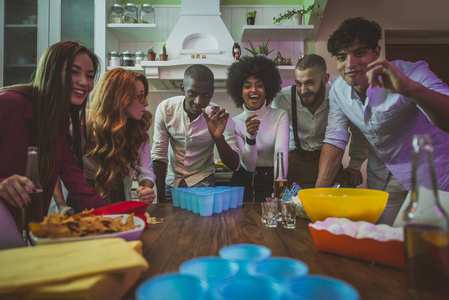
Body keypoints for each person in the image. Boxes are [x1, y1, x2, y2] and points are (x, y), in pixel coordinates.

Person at [316, 17, 449, 225]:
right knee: (381, 240)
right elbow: (335, 139)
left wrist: (409, 89)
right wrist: (318, 196)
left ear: (376, 53)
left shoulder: (412, 72)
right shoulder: (338, 91)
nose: (350, 64)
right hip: (383, 178)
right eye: (342, 56)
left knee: (426, 247)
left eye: (359, 53)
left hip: (432, 174)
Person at [0, 41, 108, 231]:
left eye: (90, 76)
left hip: (21, 226)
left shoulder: (59, 122)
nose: (84, 82)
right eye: (74, 72)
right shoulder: (10, 103)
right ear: (52, 71)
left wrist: (115, 216)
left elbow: (73, 177)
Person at [56, 68, 156, 213]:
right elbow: (54, 167)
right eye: (140, 96)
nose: (146, 103)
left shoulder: (139, 126)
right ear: (119, 98)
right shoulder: (81, 124)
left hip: (119, 195)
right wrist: (61, 205)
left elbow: (145, 168)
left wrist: (146, 187)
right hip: (82, 197)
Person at [272, 54, 366, 189]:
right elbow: (275, 139)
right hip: (296, 161)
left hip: (329, 159)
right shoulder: (283, 98)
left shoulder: (339, 96)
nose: (303, 91)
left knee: (334, 205)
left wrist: (355, 165)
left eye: (310, 83)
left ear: (325, 79)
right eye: (299, 84)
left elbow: (359, 132)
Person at [151, 64, 241, 203]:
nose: (199, 102)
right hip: (171, 182)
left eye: (205, 95)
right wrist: (160, 197)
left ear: (212, 92)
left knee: (203, 224)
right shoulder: (166, 109)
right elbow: (159, 155)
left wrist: (218, 138)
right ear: (183, 89)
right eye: (192, 93)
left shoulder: (221, 118)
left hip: (203, 183)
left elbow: (234, 165)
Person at [226, 55, 289, 202]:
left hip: (271, 181)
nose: (254, 90)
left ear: (267, 89)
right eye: (247, 86)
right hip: (242, 183)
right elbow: (249, 165)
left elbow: (281, 155)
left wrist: (279, 190)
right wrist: (251, 137)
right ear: (240, 92)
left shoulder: (280, 116)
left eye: (259, 85)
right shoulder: (234, 123)